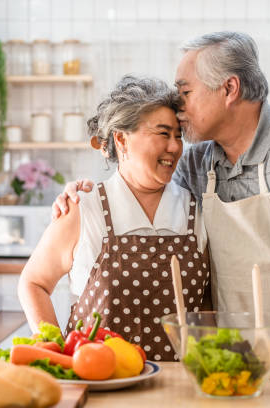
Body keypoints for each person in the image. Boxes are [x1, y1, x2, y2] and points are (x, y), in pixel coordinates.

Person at [52, 32, 270, 381]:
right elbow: (143, 183)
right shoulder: (197, 161)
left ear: (229, 89)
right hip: (235, 355)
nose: (179, 110)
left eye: (185, 93)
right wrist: (82, 194)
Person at [18, 75, 211, 362]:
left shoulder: (195, 209)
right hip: (100, 383)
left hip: (180, 386)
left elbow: (205, 303)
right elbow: (33, 283)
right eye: (162, 133)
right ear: (121, 139)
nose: (174, 147)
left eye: (178, 136)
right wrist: (56, 353)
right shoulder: (84, 209)